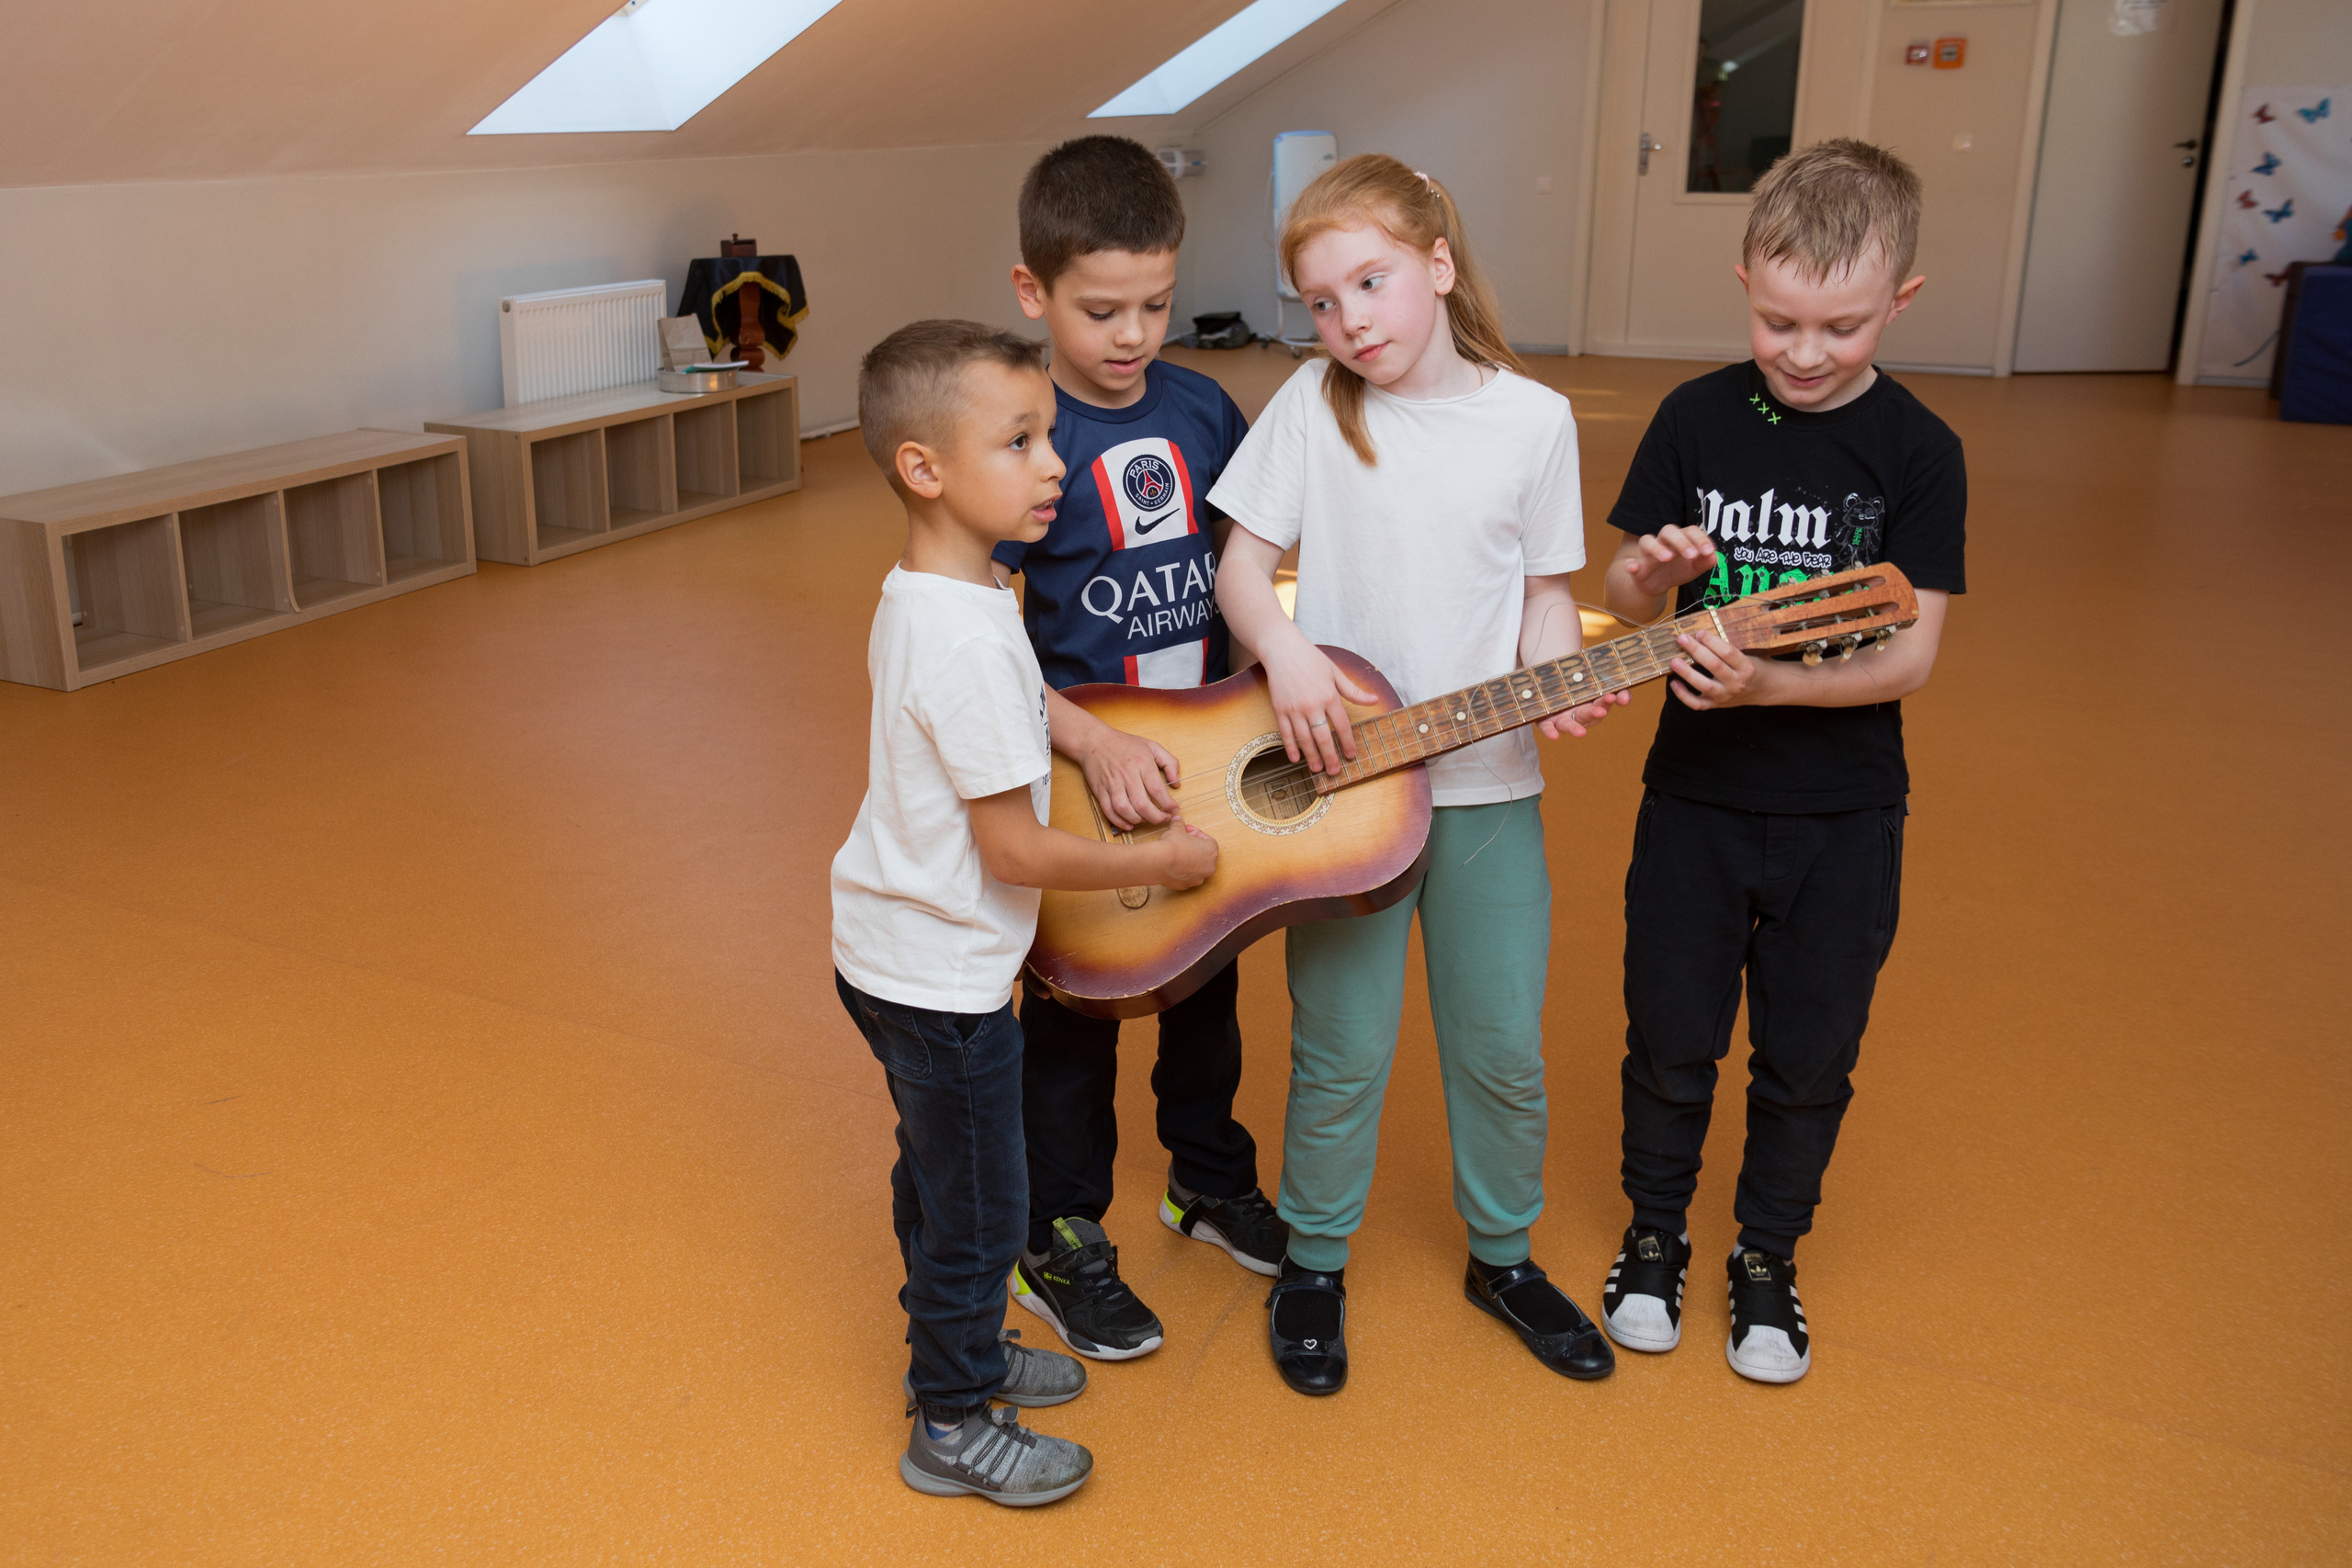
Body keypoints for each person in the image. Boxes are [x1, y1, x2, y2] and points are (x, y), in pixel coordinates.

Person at [1212, 155, 1627, 1396]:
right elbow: (1243, 567)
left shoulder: (1534, 419)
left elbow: (1545, 595)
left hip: (1491, 788)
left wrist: (1562, 673)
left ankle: (1503, 1253)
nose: (1349, 322)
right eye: (1323, 301)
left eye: (1372, 282)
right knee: (1339, 1044)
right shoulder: (1311, 403)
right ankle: (1316, 1259)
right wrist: (1280, 647)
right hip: (1346, 798)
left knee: (1501, 1043)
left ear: (1440, 266)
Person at [1594, 139, 1966, 1384]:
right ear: (1745, 276)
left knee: (1808, 1053)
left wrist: (1772, 682)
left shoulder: (1920, 451)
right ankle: (1654, 1232)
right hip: (1693, 798)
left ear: (1899, 303)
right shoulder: (1696, 417)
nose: (1806, 352)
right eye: (1779, 319)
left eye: (1842, 326)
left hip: (1844, 813)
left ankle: (1764, 1252)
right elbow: (1626, 592)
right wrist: (1646, 578)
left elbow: (1911, 658)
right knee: (1671, 1033)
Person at [831, 320, 1218, 1502]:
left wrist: (1087, 734)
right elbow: (1011, 848)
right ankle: (950, 1418)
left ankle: (965, 1352)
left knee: (935, 1181)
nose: (1055, 463)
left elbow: (1023, 696)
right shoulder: (957, 635)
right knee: (983, 1217)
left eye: (1047, 433)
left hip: (887, 953)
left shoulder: (946, 590)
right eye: (1020, 440)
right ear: (924, 469)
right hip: (945, 986)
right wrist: (1170, 859)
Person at [989, 136, 1285, 1364]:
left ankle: (1205, 1178)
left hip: (1202, 758)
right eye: (1100, 309)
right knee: (1074, 1015)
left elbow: (1251, 564)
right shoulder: (1008, 431)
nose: (1132, 334)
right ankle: (1055, 1231)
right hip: (1076, 771)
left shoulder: (1205, 406)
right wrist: (1091, 737)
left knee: (1205, 983)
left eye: (1155, 304)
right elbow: (974, 641)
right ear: (1032, 293)